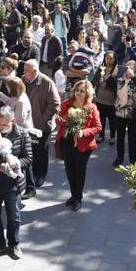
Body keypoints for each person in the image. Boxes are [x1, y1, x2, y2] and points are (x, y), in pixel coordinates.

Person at [0, 107, 32, 260]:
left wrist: (15, 163)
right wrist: (4, 157)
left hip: (13, 183)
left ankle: (13, 243)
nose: (1, 127)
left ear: (13, 121)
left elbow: (29, 158)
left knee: (14, 216)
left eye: (5, 125)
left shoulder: (22, 134)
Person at [54, 79, 102, 211]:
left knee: (79, 171)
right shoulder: (67, 104)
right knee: (69, 170)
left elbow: (98, 127)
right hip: (67, 141)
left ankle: (78, 198)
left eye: (82, 91)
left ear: (87, 93)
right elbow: (58, 120)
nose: (79, 93)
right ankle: (73, 195)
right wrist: (66, 119)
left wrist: (83, 132)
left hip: (83, 145)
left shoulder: (91, 108)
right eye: (77, 90)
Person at [23, 59, 61, 190]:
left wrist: (43, 119)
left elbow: (55, 104)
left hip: (43, 125)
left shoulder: (47, 82)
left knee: (41, 150)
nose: (24, 72)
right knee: (31, 149)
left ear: (34, 72)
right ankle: (34, 173)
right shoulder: (23, 80)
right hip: (28, 123)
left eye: (26, 70)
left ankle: (41, 175)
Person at [114, 60, 136, 166]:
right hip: (119, 113)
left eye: (131, 68)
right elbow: (108, 86)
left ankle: (133, 160)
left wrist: (134, 78)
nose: (129, 69)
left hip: (133, 114)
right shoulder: (119, 79)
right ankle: (119, 157)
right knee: (120, 137)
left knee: (132, 139)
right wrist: (113, 76)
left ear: (135, 70)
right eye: (127, 67)